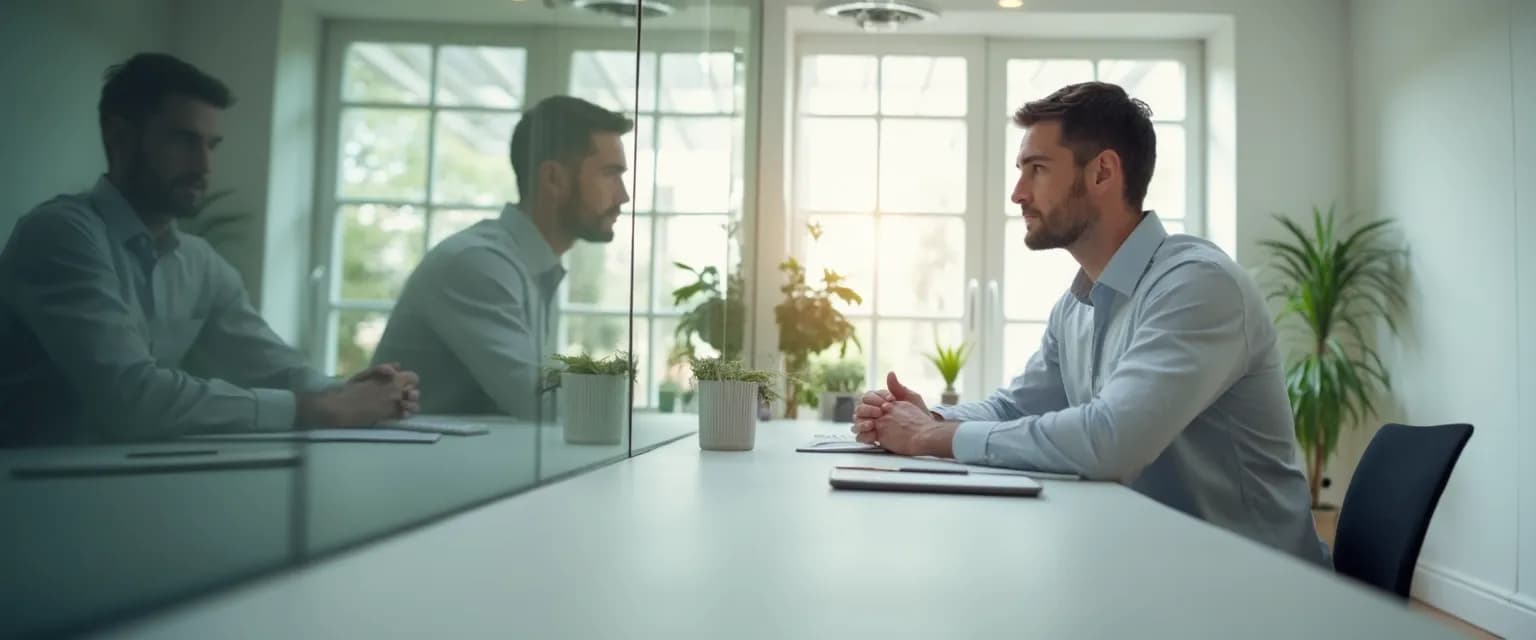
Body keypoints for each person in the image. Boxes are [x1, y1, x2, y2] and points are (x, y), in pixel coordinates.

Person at [853, 82, 1329, 566]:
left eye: (1037, 169)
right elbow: (1017, 407)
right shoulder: (1076, 304)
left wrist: (926, 437)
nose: (1018, 193)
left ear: (1102, 172)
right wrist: (931, 418)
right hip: (1154, 570)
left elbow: (1111, 440)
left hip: (1258, 589)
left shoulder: (1198, 286)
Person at [0, 53, 419, 446]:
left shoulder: (198, 261)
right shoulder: (61, 235)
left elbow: (271, 366)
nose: (204, 166)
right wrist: (324, 409)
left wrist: (359, 392)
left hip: (117, 483)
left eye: (211, 145)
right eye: (184, 141)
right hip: (27, 495)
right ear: (119, 136)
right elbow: (131, 399)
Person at [371, 95, 632, 419]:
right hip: (413, 467)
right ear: (553, 178)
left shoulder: (528, 265)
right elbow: (541, 403)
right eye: (610, 174)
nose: (623, 196)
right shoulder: (478, 264)